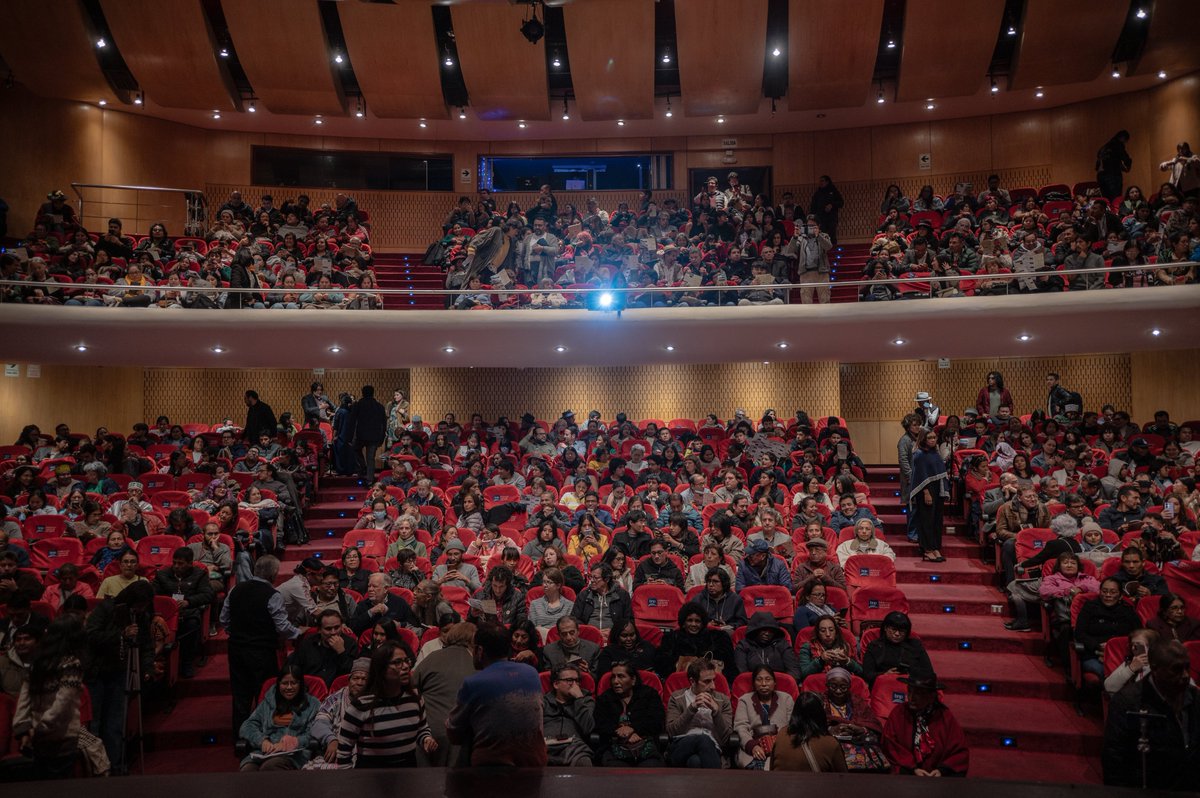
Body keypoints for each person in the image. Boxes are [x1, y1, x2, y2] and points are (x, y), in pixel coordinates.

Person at [221, 555, 305, 736]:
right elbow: (282, 627)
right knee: (265, 693)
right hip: (262, 651)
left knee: (240, 695)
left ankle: (240, 739)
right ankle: (263, 736)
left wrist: (238, 635)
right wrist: (299, 632)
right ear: (274, 574)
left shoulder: (235, 589)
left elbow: (224, 620)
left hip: (236, 649)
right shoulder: (273, 595)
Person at [1103, 640, 1200, 790]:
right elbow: (1114, 755)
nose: (1186, 675)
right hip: (1149, 787)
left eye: (1187, 667)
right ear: (1154, 669)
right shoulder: (1127, 701)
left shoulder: (1195, 697)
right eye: (1176, 669)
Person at [447, 622, 546, 766]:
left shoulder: (474, 683)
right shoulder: (531, 673)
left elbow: (453, 734)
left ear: (479, 651)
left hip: (492, 768)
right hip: (534, 763)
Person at [84, 580, 154, 775]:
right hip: (96, 672)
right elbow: (90, 635)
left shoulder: (142, 616)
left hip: (119, 671)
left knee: (116, 724)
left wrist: (148, 667)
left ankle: (116, 766)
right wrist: (121, 635)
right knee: (95, 723)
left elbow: (146, 644)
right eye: (139, 604)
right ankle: (95, 769)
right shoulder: (107, 608)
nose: (141, 608)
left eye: (145, 605)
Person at [12, 616, 93, 779]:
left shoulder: (38, 662)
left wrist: (23, 727)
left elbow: (23, 701)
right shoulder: (71, 664)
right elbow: (63, 705)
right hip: (60, 736)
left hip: (39, 734)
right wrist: (40, 729)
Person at [336, 640, 436, 768]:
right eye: (397, 662)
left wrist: (426, 739)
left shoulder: (415, 698)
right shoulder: (361, 705)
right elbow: (344, 750)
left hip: (407, 772)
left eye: (407, 661)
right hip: (371, 777)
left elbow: (422, 729)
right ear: (381, 669)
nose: (405, 666)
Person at [881, 668, 969, 776]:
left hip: (937, 778)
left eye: (918, 693)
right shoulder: (899, 712)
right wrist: (912, 768)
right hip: (906, 776)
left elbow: (959, 751)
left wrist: (942, 770)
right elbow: (890, 745)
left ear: (931, 696)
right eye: (909, 691)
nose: (911, 697)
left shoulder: (944, 716)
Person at [411, 621, 477, 766]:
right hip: (460, 732)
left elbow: (412, 688)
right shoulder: (476, 664)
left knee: (426, 783)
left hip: (430, 730)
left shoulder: (432, 657)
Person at [238, 664, 319, 771]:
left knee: (270, 767)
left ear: (301, 684)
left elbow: (314, 733)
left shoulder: (313, 704)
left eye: (294, 683)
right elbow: (247, 726)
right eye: (285, 683)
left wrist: (294, 741)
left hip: (294, 755)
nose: (289, 687)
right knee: (248, 769)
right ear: (278, 684)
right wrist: (262, 741)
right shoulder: (269, 701)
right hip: (265, 752)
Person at [152, 547, 214, 678]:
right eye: (174, 562)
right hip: (166, 615)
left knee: (191, 624)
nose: (176, 566)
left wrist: (188, 602)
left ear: (190, 563)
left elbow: (208, 595)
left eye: (180, 564)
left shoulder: (199, 574)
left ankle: (187, 662)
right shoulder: (162, 574)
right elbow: (153, 593)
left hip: (188, 612)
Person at [664, 657, 733, 768]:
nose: (713, 686)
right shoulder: (677, 697)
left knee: (695, 761)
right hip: (681, 747)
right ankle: (718, 781)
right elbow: (671, 732)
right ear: (692, 681)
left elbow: (726, 737)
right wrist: (692, 708)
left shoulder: (722, 700)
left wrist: (716, 712)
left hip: (712, 750)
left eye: (713, 680)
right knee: (703, 738)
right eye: (707, 681)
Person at [595, 662, 666, 767]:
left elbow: (657, 721)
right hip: (614, 748)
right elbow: (600, 724)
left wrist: (633, 729)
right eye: (613, 677)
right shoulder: (605, 698)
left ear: (633, 680)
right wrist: (620, 731)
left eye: (621, 676)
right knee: (616, 772)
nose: (615, 681)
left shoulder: (649, 694)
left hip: (646, 747)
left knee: (651, 771)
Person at [309, 655, 370, 768]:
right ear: (349, 680)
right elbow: (318, 723)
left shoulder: (376, 700)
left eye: (364, 679)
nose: (359, 683)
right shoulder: (335, 698)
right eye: (355, 678)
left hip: (365, 756)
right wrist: (331, 739)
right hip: (335, 753)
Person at [1075, 578, 1140, 679]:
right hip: (1094, 653)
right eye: (1104, 591)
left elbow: (1138, 633)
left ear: (1120, 595)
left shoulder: (1128, 611)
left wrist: (1116, 648)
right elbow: (1079, 633)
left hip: (1122, 654)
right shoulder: (1090, 607)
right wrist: (1097, 646)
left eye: (1113, 592)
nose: (1108, 595)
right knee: (1107, 672)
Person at [732, 665, 795, 769]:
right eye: (759, 680)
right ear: (753, 684)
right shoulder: (744, 700)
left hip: (780, 748)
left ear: (774, 683)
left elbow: (792, 726)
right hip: (752, 747)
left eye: (768, 679)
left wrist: (778, 745)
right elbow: (741, 727)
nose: (764, 684)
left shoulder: (786, 699)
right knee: (756, 769)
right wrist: (752, 746)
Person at [770, 691, 848, 772]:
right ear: (820, 713)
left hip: (780, 783)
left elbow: (772, 767)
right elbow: (843, 778)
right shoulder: (831, 744)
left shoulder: (782, 734)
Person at [655, 602, 737, 677]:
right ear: (683, 623)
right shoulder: (671, 638)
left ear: (702, 623)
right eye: (689, 620)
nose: (693, 624)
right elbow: (662, 667)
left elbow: (730, 667)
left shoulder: (718, 637)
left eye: (697, 621)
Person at [543, 663, 597, 766]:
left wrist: (579, 699)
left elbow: (588, 728)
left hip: (574, 747)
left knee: (584, 761)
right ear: (556, 684)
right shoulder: (543, 701)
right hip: (546, 745)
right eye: (569, 680)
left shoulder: (586, 700)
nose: (575, 685)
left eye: (577, 681)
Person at [861, 611, 932, 685]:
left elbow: (928, 672)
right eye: (893, 629)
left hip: (911, 687)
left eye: (901, 631)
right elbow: (867, 675)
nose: (897, 634)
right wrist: (884, 675)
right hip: (884, 687)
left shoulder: (915, 645)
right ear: (885, 628)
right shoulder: (874, 646)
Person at [910, 429, 948, 562]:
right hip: (926, 490)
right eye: (929, 438)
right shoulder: (919, 454)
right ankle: (927, 549)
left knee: (937, 520)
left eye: (934, 437)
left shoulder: (934, 452)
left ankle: (935, 547)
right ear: (923, 439)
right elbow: (921, 476)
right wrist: (926, 492)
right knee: (927, 520)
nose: (933, 440)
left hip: (938, 489)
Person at [570, 562, 632, 634]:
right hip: (589, 636)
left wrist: (614, 632)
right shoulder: (584, 595)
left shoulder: (622, 595)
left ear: (607, 579)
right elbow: (575, 619)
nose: (591, 580)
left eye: (596, 578)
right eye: (590, 577)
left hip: (614, 637)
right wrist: (594, 632)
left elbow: (629, 620)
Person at [346, 385, 387, 484]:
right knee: (371, 458)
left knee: (356, 449)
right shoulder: (379, 406)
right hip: (374, 436)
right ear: (373, 393)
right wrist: (382, 437)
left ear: (362, 393)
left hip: (361, 435)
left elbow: (351, 421)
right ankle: (370, 480)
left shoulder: (358, 405)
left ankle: (362, 465)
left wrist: (349, 437)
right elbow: (384, 423)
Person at [1096, 130, 1132, 201]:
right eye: (1125, 140)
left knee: (1105, 199)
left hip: (1101, 175)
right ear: (1122, 138)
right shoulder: (1117, 144)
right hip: (1112, 175)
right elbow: (1125, 158)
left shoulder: (1104, 147)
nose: (1125, 143)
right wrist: (1128, 166)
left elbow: (1099, 163)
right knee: (1115, 198)